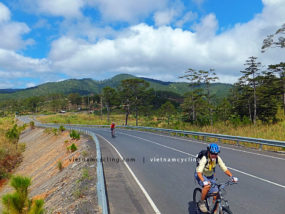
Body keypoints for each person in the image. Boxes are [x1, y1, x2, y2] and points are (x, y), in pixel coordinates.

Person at [195, 143, 238, 213]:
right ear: (208, 152)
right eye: (212, 154)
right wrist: (203, 181)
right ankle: (201, 202)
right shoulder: (204, 158)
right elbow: (199, 172)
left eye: (216, 154)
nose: (214, 156)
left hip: (210, 176)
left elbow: (224, 168)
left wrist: (231, 176)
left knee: (216, 192)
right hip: (201, 175)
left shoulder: (217, 158)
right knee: (207, 186)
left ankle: (214, 210)